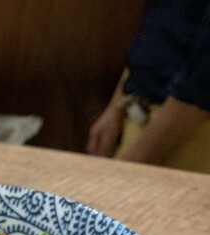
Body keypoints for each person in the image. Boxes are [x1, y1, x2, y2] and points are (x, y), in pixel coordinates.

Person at [86, 0, 210, 173]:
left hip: (187, 133)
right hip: (141, 114)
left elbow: (202, 83)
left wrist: (137, 160)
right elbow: (156, 31)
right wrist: (118, 103)